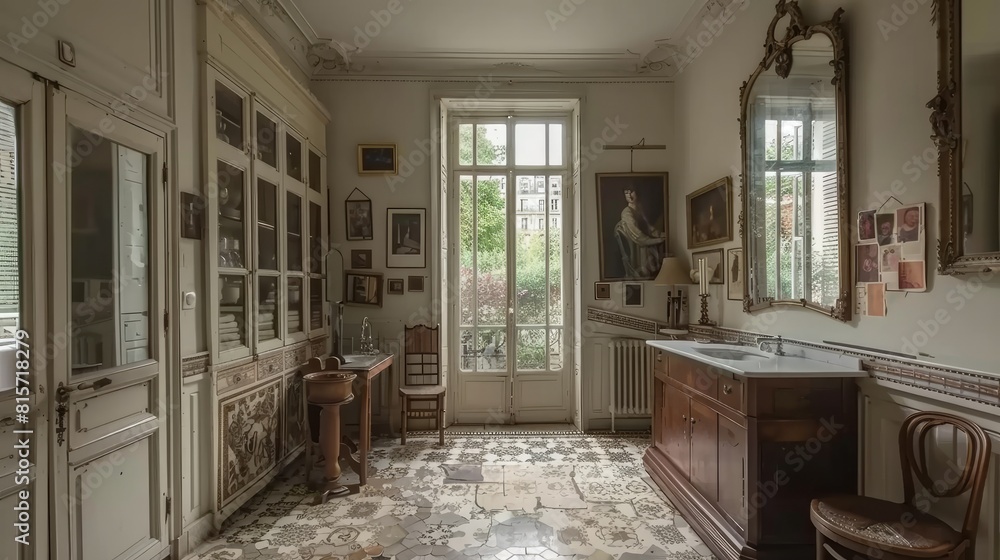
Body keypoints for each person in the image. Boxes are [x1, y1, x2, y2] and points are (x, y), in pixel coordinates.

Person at [616, 187, 665, 278]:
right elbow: (637, 235)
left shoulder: (639, 209)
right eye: (626, 193)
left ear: (637, 193)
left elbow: (649, 228)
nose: (629, 195)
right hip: (639, 251)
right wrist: (656, 241)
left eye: (632, 192)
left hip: (646, 248)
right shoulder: (626, 213)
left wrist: (660, 235)